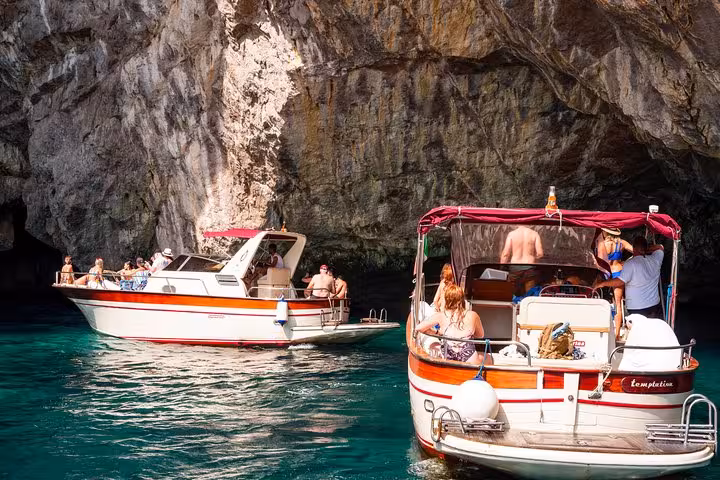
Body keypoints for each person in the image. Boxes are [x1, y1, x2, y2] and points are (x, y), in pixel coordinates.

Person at [594, 236, 665, 337]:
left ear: (634, 248)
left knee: (637, 335)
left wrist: (602, 283)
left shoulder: (630, 264)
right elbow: (661, 247)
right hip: (653, 306)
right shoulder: (656, 259)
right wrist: (645, 250)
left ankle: (618, 335)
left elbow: (619, 281)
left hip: (636, 308)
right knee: (650, 333)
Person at [415, 285, 486, 363]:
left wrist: (437, 333)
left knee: (435, 346)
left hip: (447, 356)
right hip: (469, 357)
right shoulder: (473, 315)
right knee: (486, 357)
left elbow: (419, 328)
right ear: (462, 299)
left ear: (447, 299)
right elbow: (480, 335)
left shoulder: (441, 315)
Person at [596, 227, 633, 327]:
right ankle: (616, 334)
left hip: (605, 273)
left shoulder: (602, 244)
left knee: (597, 296)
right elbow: (636, 252)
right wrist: (627, 263)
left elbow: (598, 260)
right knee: (618, 304)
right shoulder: (622, 243)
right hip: (618, 272)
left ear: (605, 232)